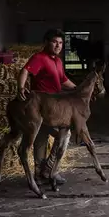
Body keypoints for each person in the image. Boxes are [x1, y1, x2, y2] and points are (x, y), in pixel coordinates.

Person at [17, 29, 76, 184]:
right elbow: (25, 71)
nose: (58, 45)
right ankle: (49, 170)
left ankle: (41, 172)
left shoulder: (57, 61)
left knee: (43, 139)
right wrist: (21, 88)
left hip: (54, 107)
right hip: (41, 106)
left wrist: (79, 90)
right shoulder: (39, 58)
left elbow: (63, 80)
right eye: (55, 42)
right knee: (62, 135)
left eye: (61, 43)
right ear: (46, 42)